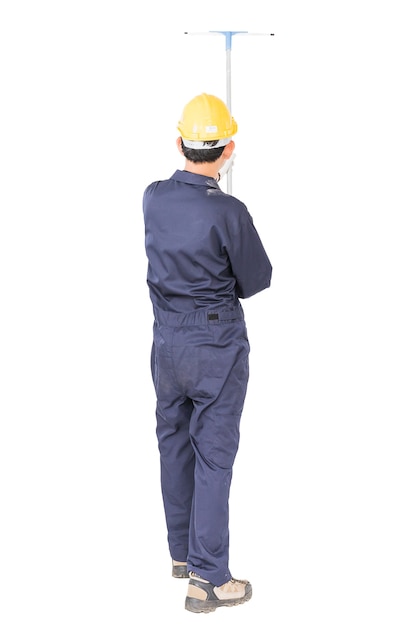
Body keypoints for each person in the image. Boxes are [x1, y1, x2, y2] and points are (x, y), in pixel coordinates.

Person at [142, 93, 272, 613]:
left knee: (174, 445)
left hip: (168, 343)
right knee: (213, 457)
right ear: (229, 148)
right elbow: (256, 281)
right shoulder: (229, 210)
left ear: (180, 142)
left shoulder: (152, 196)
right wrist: (223, 204)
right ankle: (209, 579)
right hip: (215, 344)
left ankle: (182, 553)